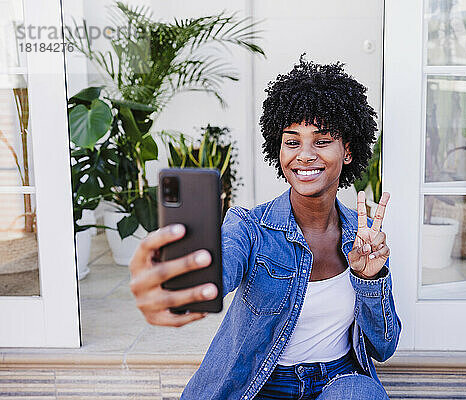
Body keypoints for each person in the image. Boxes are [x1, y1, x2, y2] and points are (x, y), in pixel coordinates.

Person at [128, 56, 402, 400]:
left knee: (361, 394)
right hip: (263, 383)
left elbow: (383, 348)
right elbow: (222, 268)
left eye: (321, 141)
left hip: (339, 381)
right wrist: (175, 290)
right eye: (292, 141)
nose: (303, 155)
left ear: (347, 151)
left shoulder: (361, 241)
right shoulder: (249, 227)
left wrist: (369, 279)